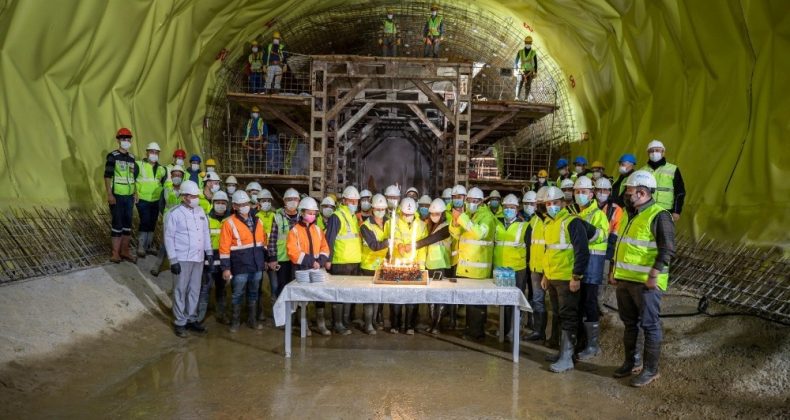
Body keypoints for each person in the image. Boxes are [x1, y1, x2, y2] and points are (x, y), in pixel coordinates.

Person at [610, 170, 675, 387]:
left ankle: (650, 370)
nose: (626, 196)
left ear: (641, 192)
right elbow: (623, 246)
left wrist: (654, 274)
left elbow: (667, 249)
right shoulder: (631, 214)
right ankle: (632, 362)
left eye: (629, 192)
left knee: (650, 326)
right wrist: (614, 270)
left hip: (647, 283)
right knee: (630, 324)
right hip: (625, 279)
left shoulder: (659, 215)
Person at [540, 186, 595, 373]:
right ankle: (564, 353)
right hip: (554, 277)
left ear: (563, 202)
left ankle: (568, 358)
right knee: (559, 315)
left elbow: (582, 252)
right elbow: (549, 251)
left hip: (567, 279)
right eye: (548, 203)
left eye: (555, 203)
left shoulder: (572, 222)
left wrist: (576, 276)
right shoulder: (549, 224)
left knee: (569, 317)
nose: (551, 206)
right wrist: (546, 275)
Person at [164, 180, 213, 338]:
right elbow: (169, 237)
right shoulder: (174, 214)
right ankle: (179, 322)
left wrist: (209, 252)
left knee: (194, 289)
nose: (196, 198)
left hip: (198, 258)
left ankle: (191, 318)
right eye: (192, 196)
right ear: (184, 197)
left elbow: (205, 233)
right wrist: (173, 260)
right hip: (182, 258)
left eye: (196, 196)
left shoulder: (200, 212)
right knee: (180, 290)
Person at [219, 190, 272, 332]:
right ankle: (235, 322)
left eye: (246, 203)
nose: (244, 206)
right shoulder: (229, 223)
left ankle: (252, 320)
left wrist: (265, 260)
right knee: (237, 294)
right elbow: (224, 248)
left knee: (254, 293)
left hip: (256, 265)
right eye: (241, 204)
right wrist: (226, 268)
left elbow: (263, 242)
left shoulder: (257, 220)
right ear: (235, 206)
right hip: (240, 266)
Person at [449, 187, 496, 341]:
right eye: (469, 201)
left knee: (478, 303)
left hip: (478, 269)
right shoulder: (469, 215)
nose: (471, 203)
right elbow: (456, 234)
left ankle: (477, 333)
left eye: (475, 201)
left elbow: (478, 233)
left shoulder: (487, 217)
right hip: (466, 267)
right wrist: (455, 222)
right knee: (470, 302)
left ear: (481, 202)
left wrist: (462, 218)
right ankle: (470, 330)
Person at [573, 176, 610, 361]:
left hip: (593, 266)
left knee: (589, 305)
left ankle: (593, 346)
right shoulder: (577, 214)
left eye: (584, 192)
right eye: (577, 192)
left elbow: (602, 236)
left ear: (591, 193)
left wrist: (585, 231)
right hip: (579, 266)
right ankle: (580, 344)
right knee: (579, 306)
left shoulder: (598, 215)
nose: (580, 195)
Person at [286, 196, 331, 335]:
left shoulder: (318, 229)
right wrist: (311, 261)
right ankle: (303, 325)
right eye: (309, 213)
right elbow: (292, 252)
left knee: (319, 296)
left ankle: (321, 324)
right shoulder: (294, 231)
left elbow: (325, 247)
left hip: (317, 268)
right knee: (302, 298)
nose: (312, 215)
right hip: (302, 269)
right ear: (302, 212)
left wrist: (322, 260)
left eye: (314, 213)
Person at [324, 186, 363, 335]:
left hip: (353, 261)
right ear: (344, 200)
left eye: (356, 201)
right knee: (338, 294)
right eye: (351, 200)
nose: (354, 203)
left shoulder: (353, 217)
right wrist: (328, 259)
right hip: (340, 262)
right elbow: (330, 239)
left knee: (347, 294)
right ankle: (337, 324)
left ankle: (344, 322)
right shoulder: (337, 216)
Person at [389, 197, 428, 335]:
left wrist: (421, 266)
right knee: (396, 297)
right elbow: (395, 236)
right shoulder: (396, 222)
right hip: (398, 264)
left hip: (414, 265)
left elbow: (423, 247)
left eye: (410, 214)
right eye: (405, 214)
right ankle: (395, 325)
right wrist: (399, 244)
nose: (407, 216)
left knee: (413, 298)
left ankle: (410, 325)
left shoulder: (422, 225)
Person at [493, 194, 529, 341]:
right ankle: (504, 328)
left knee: (515, 300)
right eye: (506, 207)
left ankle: (515, 329)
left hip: (517, 269)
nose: (508, 210)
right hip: (500, 269)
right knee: (502, 300)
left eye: (512, 208)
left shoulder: (524, 226)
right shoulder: (497, 224)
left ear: (517, 209)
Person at [415, 198, 452, 334]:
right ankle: (432, 322)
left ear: (442, 214)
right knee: (431, 296)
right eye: (432, 214)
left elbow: (432, 239)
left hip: (441, 265)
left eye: (437, 214)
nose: (434, 216)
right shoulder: (430, 226)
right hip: (430, 265)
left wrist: (413, 245)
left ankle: (437, 324)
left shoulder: (447, 227)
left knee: (440, 296)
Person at [104, 127, 139, 264]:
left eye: (128, 139)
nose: (126, 141)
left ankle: (125, 251)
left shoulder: (131, 158)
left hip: (129, 197)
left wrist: (135, 192)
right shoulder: (112, 156)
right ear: (118, 140)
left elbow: (132, 177)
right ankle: (115, 254)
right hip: (117, 196)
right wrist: (109, 194)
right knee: (117, 225)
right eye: (123, 138)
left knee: (127, 225)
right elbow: (107, 176)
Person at [197, 191, 230, 324]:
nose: (220, 205)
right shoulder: (205, 219)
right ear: (213, 203)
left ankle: (221, 315)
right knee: (205, 288)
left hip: (224, 260)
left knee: (222, 290)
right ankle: (199, 317)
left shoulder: (230, 220)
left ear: (227, 205)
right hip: (209, 260)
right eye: (218, 203)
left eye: (223, 203)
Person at [359, 194, 390, 334]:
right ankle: (368, 324)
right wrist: (388, 242)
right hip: (369, 265)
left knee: (377, 296)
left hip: (382, 265)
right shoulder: (365, 226)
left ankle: (374, 321)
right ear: (372, 209)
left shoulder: (389, 222)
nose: (380, 211)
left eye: (382, 208)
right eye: (377, 208)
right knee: (369, 297)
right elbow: (373, 245)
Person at [151, 165, 186, 276]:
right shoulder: (166, 189)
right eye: (175, 175)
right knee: (166, 242)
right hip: (169, 219)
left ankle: (179, 266)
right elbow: (161, 204)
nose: (177, 177)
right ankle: (157, 265)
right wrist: (166, 215)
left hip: (182, 221)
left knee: (181, 242)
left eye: (179, 175)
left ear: (183, 177)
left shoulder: (186, 191)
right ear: (171, 176)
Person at [524, 189, 549, 342]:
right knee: (538, 300)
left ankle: (555, 338)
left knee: (555, 304)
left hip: (550, 269)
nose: (538, 206)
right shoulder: (534, 221)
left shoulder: (552, 221)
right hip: (535, 268)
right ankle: (539, 332)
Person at [640, 140, 685, 222]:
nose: (654, 153)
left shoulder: (673, 169)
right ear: (648, 153)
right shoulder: (642, 171)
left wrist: (676, 211)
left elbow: (680, 192)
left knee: (664, 234)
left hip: (665, 211)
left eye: (657, 150)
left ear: (663, 152)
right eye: (651, 151)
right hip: (645, 210)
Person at [270, 188, 301, 308]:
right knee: (282, 287)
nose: (292, 202)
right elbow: (272, 239)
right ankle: (283, 316)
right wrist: (272, 258)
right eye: (289, 199)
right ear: (284, 201)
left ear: (299, 201)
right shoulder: (277, 217)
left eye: (295, 199)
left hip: (298, 259)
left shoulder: (302, 217)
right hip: (282, 258)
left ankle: (296, 317)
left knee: (297, 287)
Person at [135, 142, 167, 258]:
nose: (154, 154)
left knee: (152, 221)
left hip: (156, 200)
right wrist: (135, 193)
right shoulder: (139, 165)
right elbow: (132, 179)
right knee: (145, 220)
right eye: (152, 152)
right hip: (142, 199)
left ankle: (148, 246)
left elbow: (164, 184)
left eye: (156, 152)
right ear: (147, 152)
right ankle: (141, 246)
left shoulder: (162, 169)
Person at [255, 188, 277, 322]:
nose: (266, 203)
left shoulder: (275, 216)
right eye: (264, 201)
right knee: (258, 286)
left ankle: (276, 313)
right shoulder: (255, 217)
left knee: (275, 286)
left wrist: (271, 259)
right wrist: (262, 259)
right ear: (259, 202)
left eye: (268, 201)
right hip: (260, 257)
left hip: (273, 256)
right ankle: (259, 313)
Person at [242, 107, 267, 172]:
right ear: (251, 113)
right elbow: (245, 132)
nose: (255, 114)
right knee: (249, 157)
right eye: (254, 112)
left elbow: (265, 133)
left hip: (259, 142)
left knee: (259, 158)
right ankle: (250, 171)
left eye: (256, 112)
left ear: (259, 114)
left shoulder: (262, 123)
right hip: (250, 142)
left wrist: (265, 141)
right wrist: (243, 140)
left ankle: (259, 171)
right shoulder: (248, 123)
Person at [515, 36, 538, 101]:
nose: (528, 44)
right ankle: (517, 97)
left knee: (528, 85)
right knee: (519, 83)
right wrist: (516, 68)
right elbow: (516, 60)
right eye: (527, 42)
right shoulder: (520, 51)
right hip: (522, 70)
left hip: (529, 71)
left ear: (531, 43)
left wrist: (535, 71)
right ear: (525, 42)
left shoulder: (533, 52)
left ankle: (526, 98)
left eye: (529, 42)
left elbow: (536, 62)